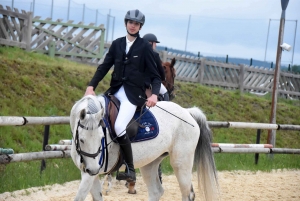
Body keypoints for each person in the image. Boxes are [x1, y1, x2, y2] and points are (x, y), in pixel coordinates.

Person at [84, 9, 161, 182]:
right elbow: (104, 67)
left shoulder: (145, 48)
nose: (132, 26)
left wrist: (154, 95)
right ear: (126, 23)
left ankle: (131, 170)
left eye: (136, 24)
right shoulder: (117, 44)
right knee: (94, 117)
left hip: (132, 96)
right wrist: (91, 86)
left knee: (119, 127)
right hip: (114, 92)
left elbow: (156, 76)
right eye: (130, 22)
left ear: (140, 26)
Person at [143, 33, 169, 101]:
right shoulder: (155, 55)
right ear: (150, 43)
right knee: (165, 93)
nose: (156, 45)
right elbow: (161, 72)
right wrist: (163, 78)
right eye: (154, 43)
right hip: (150, 83)